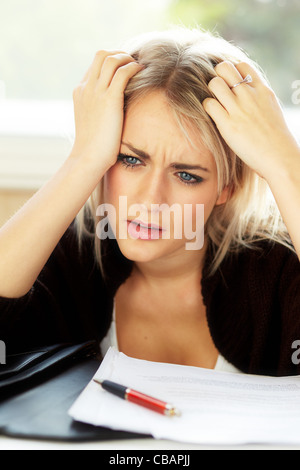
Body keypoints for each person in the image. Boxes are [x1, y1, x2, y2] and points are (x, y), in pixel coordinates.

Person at [0, 27, 299, 376]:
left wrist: (286, 164)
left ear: (226, 188)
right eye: (130, 159)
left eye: (187, 175)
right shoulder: (72, 254)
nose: (149, 200)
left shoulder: (276, 273)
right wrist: (82, 159)